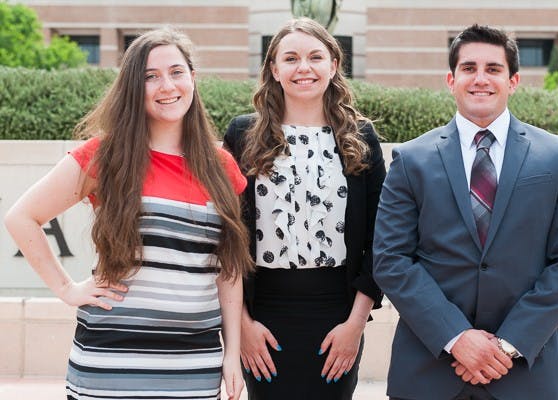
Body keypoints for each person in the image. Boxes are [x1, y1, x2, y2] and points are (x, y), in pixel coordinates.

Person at [4, 27, 252, 400]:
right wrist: (67, 289)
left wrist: (232, 354)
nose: (166, 85)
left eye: (176, 72)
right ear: (134, 88)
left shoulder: (221, 167)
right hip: (110, 360)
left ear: (193, 79)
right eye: (150, 77)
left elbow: (228, 273)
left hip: (192, 363)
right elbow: (21, 217)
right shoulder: (106, 156)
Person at [373, 24, 558, 400]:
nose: (480, 79)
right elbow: (391, 259)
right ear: (450, 78)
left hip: (525, 373)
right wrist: (456, 338)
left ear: (513, 81)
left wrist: (507, 345)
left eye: (493, 69)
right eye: (469, 68)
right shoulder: (411, 160)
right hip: (429, 371)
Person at [222, 17, 385, 400]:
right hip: (262, 315)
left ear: (333, 65)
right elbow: (225, 236)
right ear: (274, 70)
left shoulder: (360, 137)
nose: (304, 68)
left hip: (338, 316)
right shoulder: (243, 134)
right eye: (291, 58)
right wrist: (242, 326)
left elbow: (383, 238)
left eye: (315, 57)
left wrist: (355, 325)